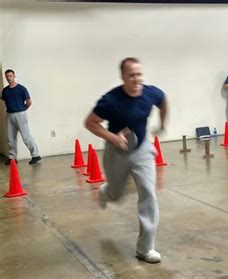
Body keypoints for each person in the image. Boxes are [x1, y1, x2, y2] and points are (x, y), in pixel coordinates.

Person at [85, 57, 167, 263]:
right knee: (116, 194)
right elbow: (90, 122)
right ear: (123, 77)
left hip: (142, 149)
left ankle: (145, 248)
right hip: (117, 151)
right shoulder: (111, 100)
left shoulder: (150, 93)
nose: (137, 79)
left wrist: (162, 124)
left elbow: (163, 101)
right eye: (132, 75)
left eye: (139, 74)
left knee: (148, 194)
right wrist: (113, 137)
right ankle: (106, 191)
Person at [1, 69, 41, 165]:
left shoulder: (22, 89)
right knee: (11, 138)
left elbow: (29, 102)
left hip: (20, 114)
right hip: (9, 115)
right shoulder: (5, 91)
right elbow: (5, 100)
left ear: (14, 76)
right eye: (7, 76)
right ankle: (12, 158)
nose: (8, 78)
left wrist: (22, 110)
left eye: (10, 76)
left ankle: (36, 155)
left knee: (26, 136)